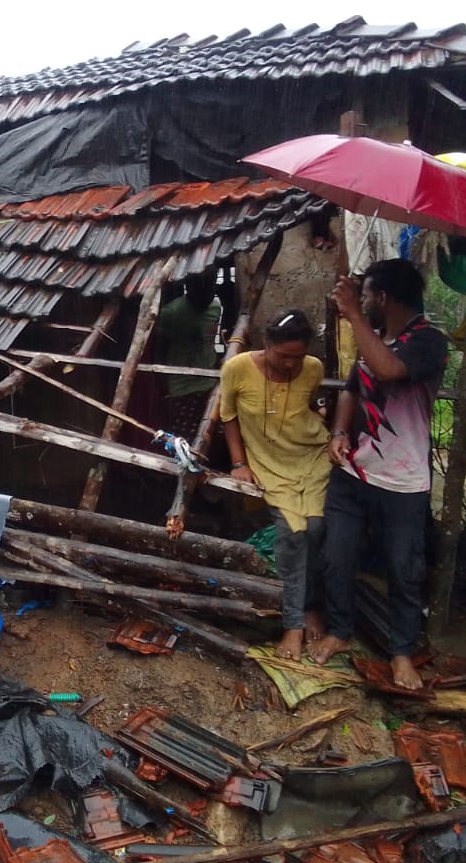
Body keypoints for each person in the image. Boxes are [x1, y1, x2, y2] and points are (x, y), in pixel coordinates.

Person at [309, 259, 448, 690]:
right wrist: (338, 432)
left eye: (367, 295)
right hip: (354, 474)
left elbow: (388, 370)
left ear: (383, 298)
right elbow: (353, 387)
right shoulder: (379, 338)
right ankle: (340, 631)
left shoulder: (428, 342)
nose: (363, 301)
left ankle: (402, 653)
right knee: (336, 557)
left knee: (403, 569)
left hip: (403, 483)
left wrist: (351, 314)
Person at [220, 309, 331, 661]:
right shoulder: (236, 369)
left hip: (313, 457)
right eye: (284, 356)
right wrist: (239, 463)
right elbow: (228, 418)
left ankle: (311, 606)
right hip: (270, 466)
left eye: (297, 357)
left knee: (317, 529)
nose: (290, 365)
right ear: (266, 344)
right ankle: (293, 624)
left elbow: (311, 405)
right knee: (291, 534)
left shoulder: (312, 368)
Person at [156, 272, 222, 438]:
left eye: (210, 287)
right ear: (188, 287)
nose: (206, 293)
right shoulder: (172, 313)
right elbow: (160, 352)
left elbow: (212, 342)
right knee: (185, 442)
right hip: (182, 389)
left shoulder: (215, 307)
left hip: (210, 383)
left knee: (211, 436)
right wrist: (164, 386)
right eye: (200, 288)